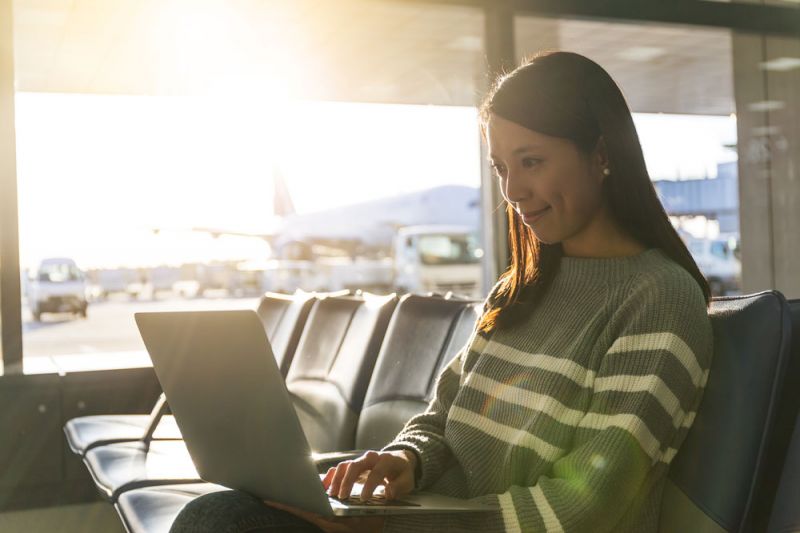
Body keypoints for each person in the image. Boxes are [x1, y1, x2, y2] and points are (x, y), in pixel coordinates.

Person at [169, 49, 714, 533]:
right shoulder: (520, 289)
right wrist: (405, 461)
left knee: (217, 521)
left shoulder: (659, 301)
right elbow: (441, 419)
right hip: (432, 517)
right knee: (225, 510)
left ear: (600, 154)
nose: (513, 191)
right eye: (502, 167)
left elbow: (584, 509)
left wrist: (391, 528)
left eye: (532, 162)